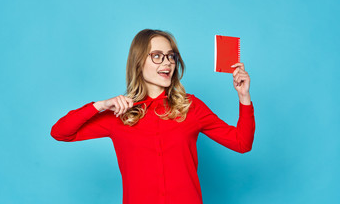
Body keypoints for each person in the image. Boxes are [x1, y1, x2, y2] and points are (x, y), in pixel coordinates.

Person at [50, 29, 255, 204]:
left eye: (170, 56)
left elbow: (242, 143)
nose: (166, 63)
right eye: (157, 55)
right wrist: (100, 105)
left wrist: (243, 96)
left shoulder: (191, 107)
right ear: (139, 62)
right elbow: (60, 132)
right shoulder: (121, 114)